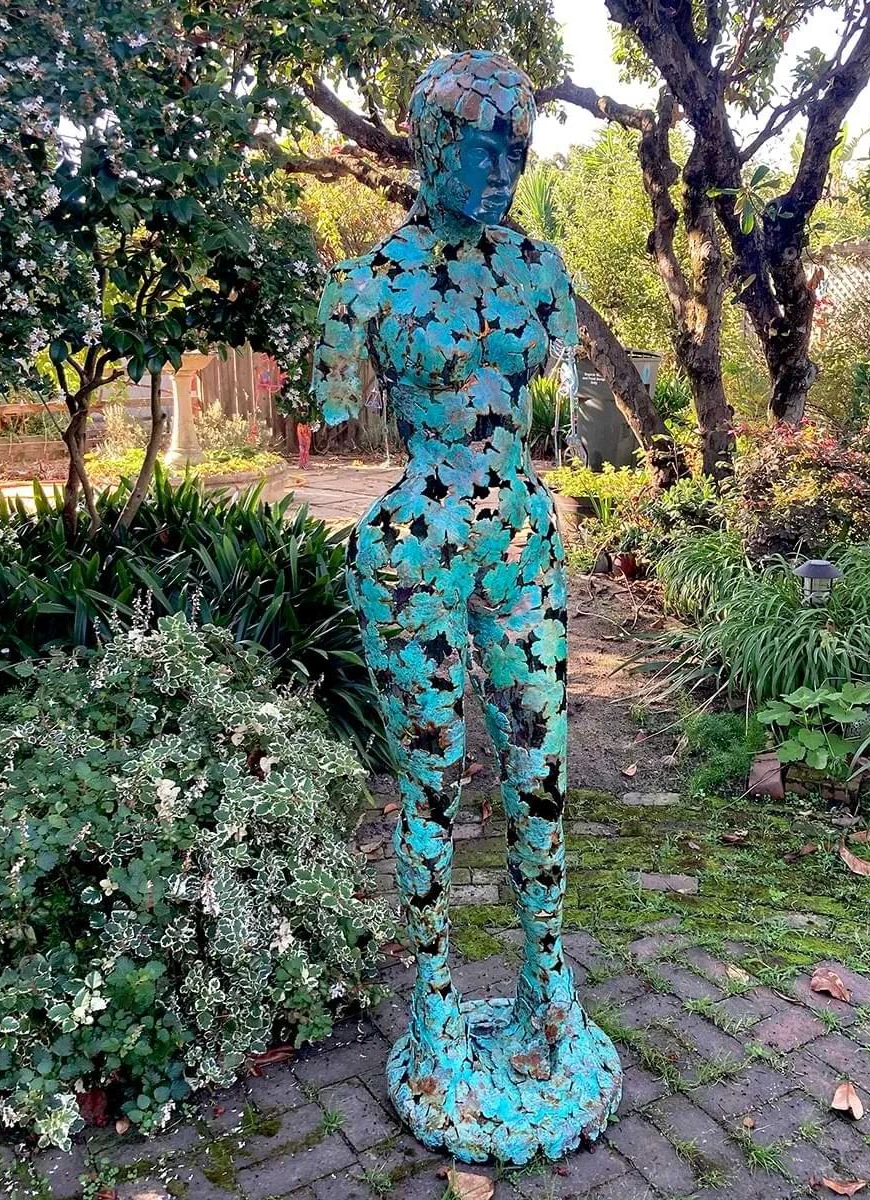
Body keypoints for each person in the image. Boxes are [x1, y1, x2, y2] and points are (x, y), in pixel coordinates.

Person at [311, 50, 620, 1164]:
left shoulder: (541, 269)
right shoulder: (361, 286)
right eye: (480, 149)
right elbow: (331, 411)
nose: (501, 172)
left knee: (541, 772)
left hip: (524, 540)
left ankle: (549, 985)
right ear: (431, 143)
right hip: (413, 550)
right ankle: (435, 1000)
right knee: (431, 785)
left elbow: (559, 401)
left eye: (516, 151)